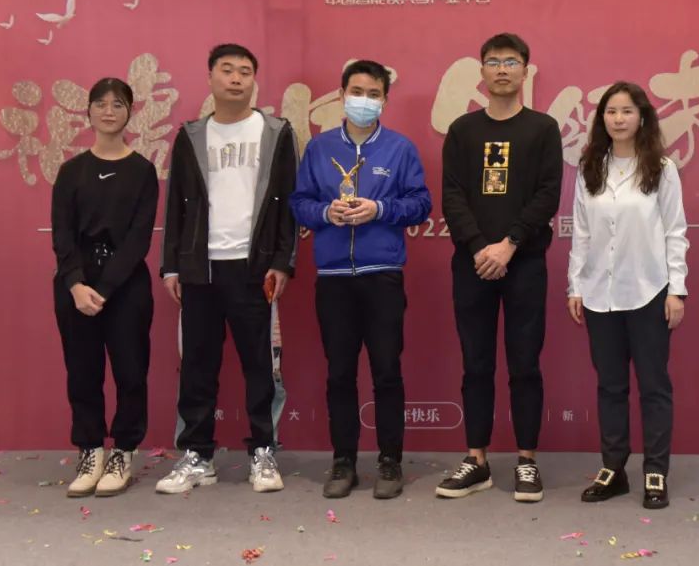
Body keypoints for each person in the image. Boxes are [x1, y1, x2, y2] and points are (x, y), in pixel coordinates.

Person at [156, 43, 298, 494]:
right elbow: (176, 205)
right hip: (201, 269)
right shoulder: (191, 135)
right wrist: (171, 267)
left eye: (245, 71)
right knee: (197, 366)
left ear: (254, 80)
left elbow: (289, 205)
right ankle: (198, 455)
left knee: (260, 365)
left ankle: (263, 451)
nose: (236, 78)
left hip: (255, 269)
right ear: (210, 77)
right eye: (227, 70)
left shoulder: (275, 132)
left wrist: (283, 262)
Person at [290, 59, 431, 500]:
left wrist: (380, 209)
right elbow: (299, 203)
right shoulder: (319, 148)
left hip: (382, 275)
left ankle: (390, 460)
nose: (364, 100)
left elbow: (421, 203)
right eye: (356, 92)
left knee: (387, 371)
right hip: (333, 277)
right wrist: (325, 212)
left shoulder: (399, 148)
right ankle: (343, 461)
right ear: (341, 95)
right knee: (339, 373)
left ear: (385, 100)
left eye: (373, 94)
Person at [437, 33, 563, 502]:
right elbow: (452, 195)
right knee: (476, 364)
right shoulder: (463, 130)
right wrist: (478, 248)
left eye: (511, 61)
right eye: (493, 61)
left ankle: (527, 459)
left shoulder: (543, 128)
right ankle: (477, 460)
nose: (503, 69)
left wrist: (509, 245)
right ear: (482, 72)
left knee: (525, 363)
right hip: (472, 265)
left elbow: (547, 194)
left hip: (524, 262)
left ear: (526, 70)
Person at [568, 81, 689, 510]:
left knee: (654, 385)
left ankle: (655, 470)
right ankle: (613, 469)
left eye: (627, 111)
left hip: (649, 290)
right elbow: (581, 232)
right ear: (601, 118)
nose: (618, 119)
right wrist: (575, 285)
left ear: (642, 117)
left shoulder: (661, 168)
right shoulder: (590, 168)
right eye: (611, 111)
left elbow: (675, 231)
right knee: (610, 385)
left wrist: (677, 290)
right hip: (599, 293)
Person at [51, 77, 158, 497]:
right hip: (76, 286)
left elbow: (138, 239)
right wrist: (76, 284)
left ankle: (123, 452)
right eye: (100, 103)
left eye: (117, 104)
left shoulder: (142, 171)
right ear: (89, 111)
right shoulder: (71, 171)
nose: (108, 111)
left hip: (126, 286)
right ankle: (91, 450)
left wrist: (107, 287)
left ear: (130, 112)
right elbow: (62, 235)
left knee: (131, 372)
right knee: (82, 372)